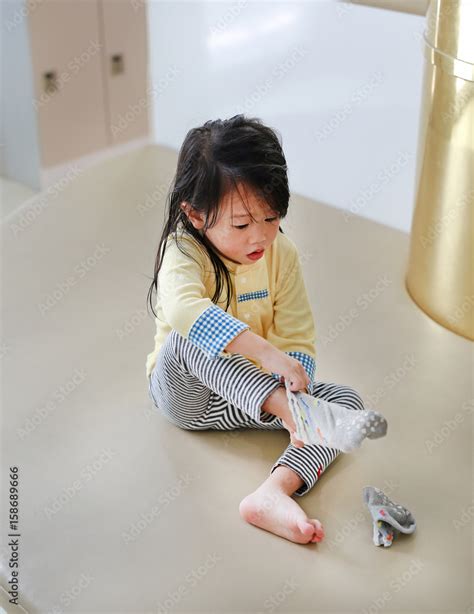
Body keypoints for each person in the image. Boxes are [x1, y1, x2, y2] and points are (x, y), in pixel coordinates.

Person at [146, 115, 370, 545]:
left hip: (250, 402)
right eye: (243, 224)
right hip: (186, 396)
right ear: (194, 215)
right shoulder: (183, 251)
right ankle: (286, 409)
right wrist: (269, 365)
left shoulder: (280, 253)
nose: (261, 236)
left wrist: (294, 383)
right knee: (186, 338)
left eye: (270, 218)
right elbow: (181, 309)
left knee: (346, 407)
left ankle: (274, 492)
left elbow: (297, 335)